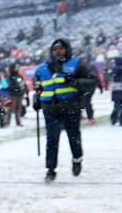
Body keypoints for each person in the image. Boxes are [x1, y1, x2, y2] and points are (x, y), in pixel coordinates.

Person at [32, 38, 99, 182]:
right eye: (55, 49)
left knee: (73, 137)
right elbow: (38, 86)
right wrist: (36, 98)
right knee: (52, 139)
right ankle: (50, 170)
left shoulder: (77, 64)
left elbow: (92, 80)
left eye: (61, 48)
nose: (58, 51)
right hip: (50, 108)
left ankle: (77, 159)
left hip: (71, 107)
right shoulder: (42, 68)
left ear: (67, 49)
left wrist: (74, 81)